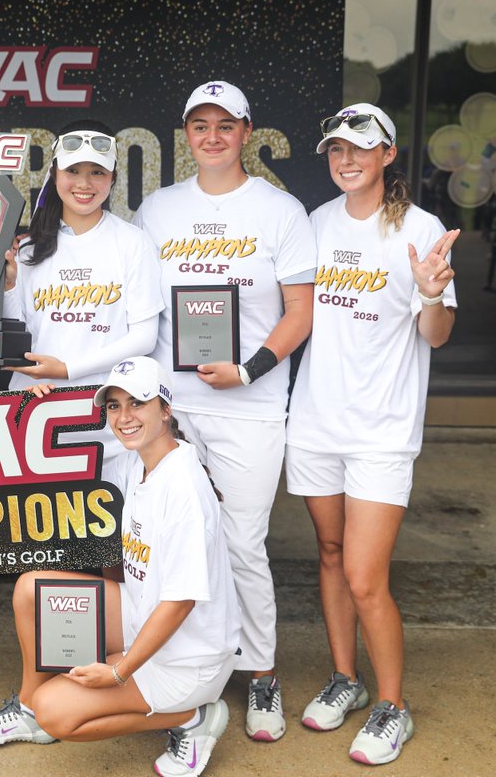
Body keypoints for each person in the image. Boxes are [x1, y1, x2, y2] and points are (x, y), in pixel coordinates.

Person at [133, 81, 316, 741]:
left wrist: (249, 370)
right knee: (161, 542)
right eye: (199, 125)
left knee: (241, 542)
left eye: (225, 125)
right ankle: (164, 664)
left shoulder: (280, 211)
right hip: (173, 407)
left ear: (247, 132)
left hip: (252, 405)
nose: (212, 136)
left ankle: (260, 673)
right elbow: (135, 301)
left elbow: (301, 311)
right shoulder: (156, 209)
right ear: (186, 134)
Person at [0, 357, 240, 777]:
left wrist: (118, 670)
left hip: (188, 658)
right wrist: (34, 406)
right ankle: (28, 709)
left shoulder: (182, 487)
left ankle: (191, 718)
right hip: (142, 612)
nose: (124, 417)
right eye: (114, 406)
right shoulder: (141, 460)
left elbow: (180, 602)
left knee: (60, 713)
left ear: (165, 409)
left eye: (137, 403)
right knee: (32, 590)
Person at [286, 104, 458, 766]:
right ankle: (345, 679)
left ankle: (394, 706)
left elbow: (433, 336)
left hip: (383, 431)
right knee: (330, 553)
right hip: (316, 422)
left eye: (360, 148)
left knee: (364, 577)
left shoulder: (421, 230)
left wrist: (433, 293)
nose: (346, 159)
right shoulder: (314, 224)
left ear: (388, 154)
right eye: (336, 148)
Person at [4, 120, 163, 470]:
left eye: (97, 172)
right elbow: (19, 334)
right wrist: (11, 285)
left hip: (108, 422)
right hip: (35, 413)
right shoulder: (27, 247)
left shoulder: (132, 243)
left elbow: (144, 337)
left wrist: (67, 369)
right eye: (73, 170)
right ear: (54, 173)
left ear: (113, 178)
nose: (84, 183)